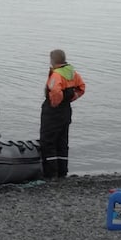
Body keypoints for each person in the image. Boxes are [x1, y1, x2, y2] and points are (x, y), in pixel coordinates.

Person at [40, 48, 86, 180]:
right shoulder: (72, 72)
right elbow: (81, 87)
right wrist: (72, 98)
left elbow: (55, 91)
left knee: (48, 141)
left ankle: (51, 174)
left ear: (53, 60)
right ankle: (62, 172)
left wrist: (55, 104)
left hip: (54, 111)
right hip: (66, 110)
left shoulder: (56, 75)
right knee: (62, 141)